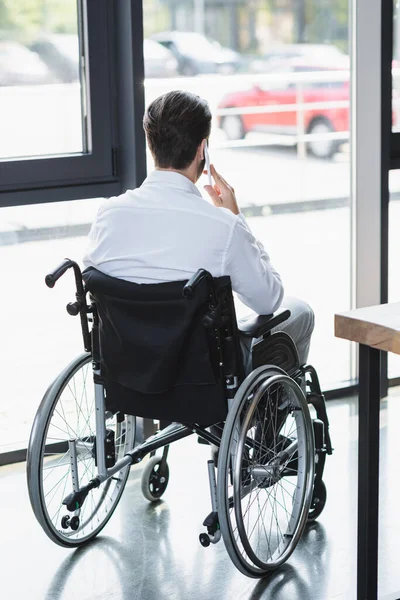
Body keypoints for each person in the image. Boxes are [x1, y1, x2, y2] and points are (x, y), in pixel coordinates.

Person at [83, 90, 314, 371]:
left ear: (150, 144)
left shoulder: (108, 216)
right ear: (202, 149)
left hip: (128, 371)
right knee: (301, 312)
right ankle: (269, 412)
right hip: (200, 378)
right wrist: (235, 217)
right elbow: (268, 299)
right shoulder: (222, 226)